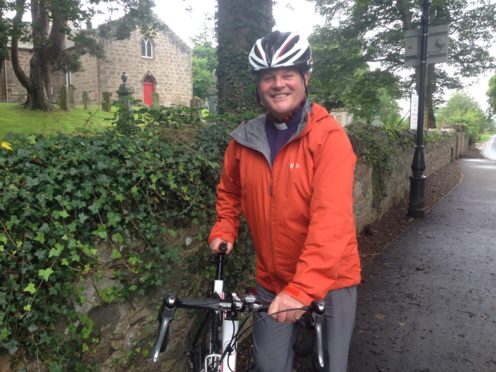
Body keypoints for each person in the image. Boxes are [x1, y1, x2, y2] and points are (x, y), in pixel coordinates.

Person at [208, 30, 361, 372]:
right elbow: (230, 192)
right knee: (269, 364)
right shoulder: (244, 141)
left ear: (305, 78)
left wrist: (302, 289)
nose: (278, 84)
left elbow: (331, 221)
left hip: (331, 279)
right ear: (258, 85)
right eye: (268, 77)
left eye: (287, 74)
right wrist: (224, 227)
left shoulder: (329, 140)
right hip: (272, 278)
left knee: (330, 366)